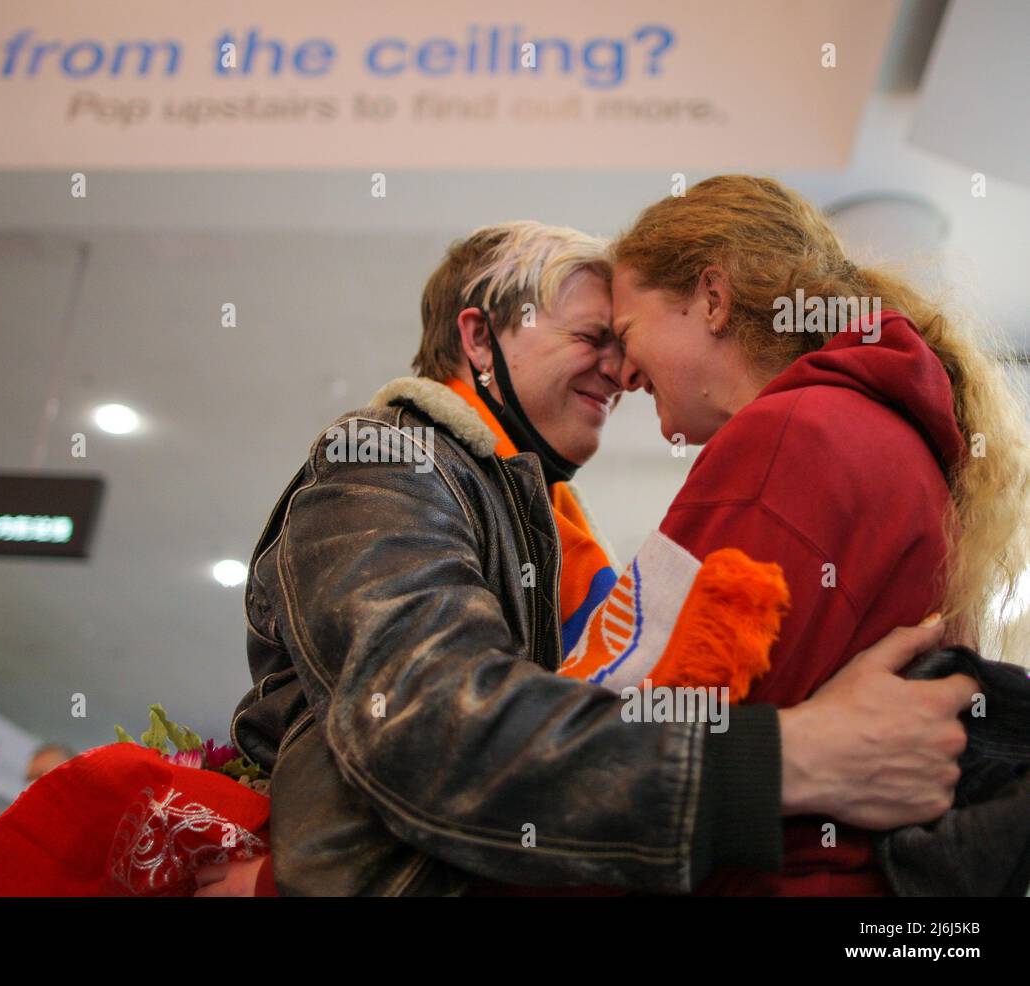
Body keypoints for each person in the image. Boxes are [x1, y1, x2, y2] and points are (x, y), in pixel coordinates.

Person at [205, 220, 977, 896]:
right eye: (588, 338)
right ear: (477, 338)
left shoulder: (543, 520)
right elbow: (432, 719)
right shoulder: (391, 462)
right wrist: (791, 758)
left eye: (622, 341)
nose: (621, 371)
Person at [598, 174, 1030, 893]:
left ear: (711, 297)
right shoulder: (886, 435)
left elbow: (645, 747)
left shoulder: (789, 434)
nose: (619, 370)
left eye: (623, 332)